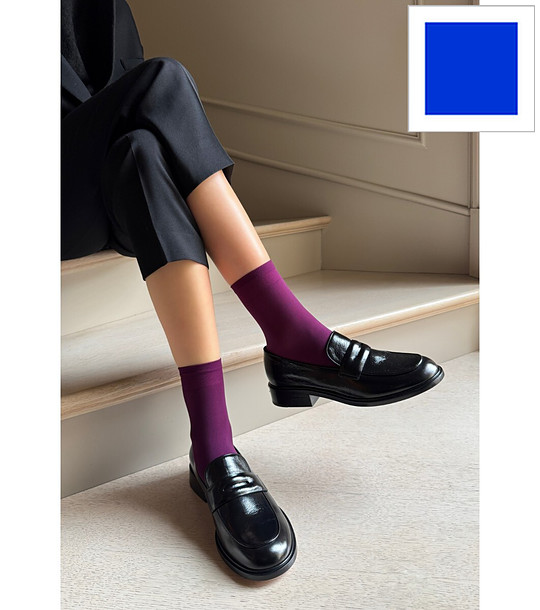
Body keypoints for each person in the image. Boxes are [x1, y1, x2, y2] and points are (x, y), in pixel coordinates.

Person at [61, 0, 444, 581]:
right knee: (165, 79)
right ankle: (293, 337)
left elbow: (121, 90)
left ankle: (213, 448)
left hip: (98, 181)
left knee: (141, 150)